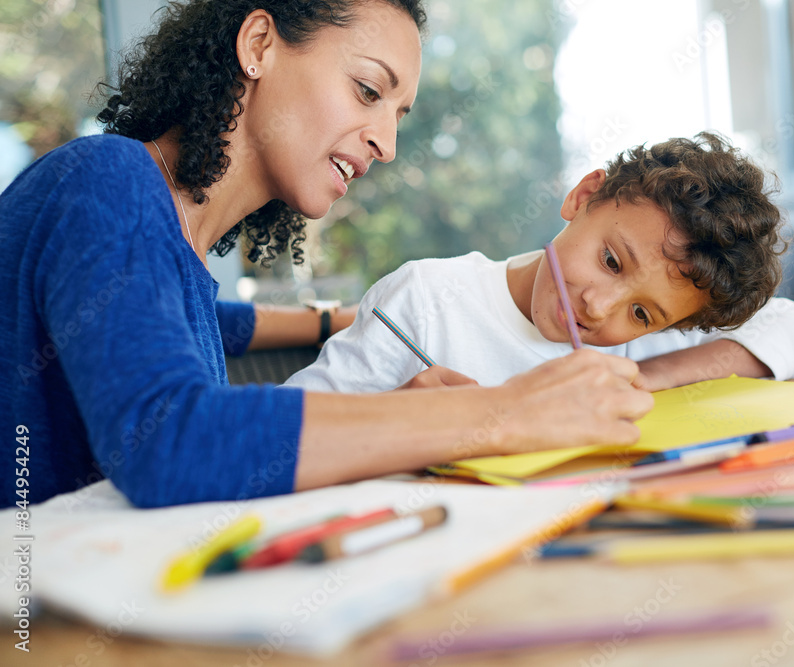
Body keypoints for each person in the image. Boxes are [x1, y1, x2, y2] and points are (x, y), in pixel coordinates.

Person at [0, 0, 654, 510]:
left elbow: (217, 322)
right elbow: (168, 438)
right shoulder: (104, 177)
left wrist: (339, 328)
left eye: (400, 113)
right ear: (259, 46)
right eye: (369, 91)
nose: (387, 143)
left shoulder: (179, 255)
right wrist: (494, 414)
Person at [286, 134, 794, 393]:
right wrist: (404, 418)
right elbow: (285, 429)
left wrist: (651, 376)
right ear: (583, 196)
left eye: (644, 315)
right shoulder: (428, 300)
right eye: (609, 260)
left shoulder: (642, 348)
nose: (598, 308)